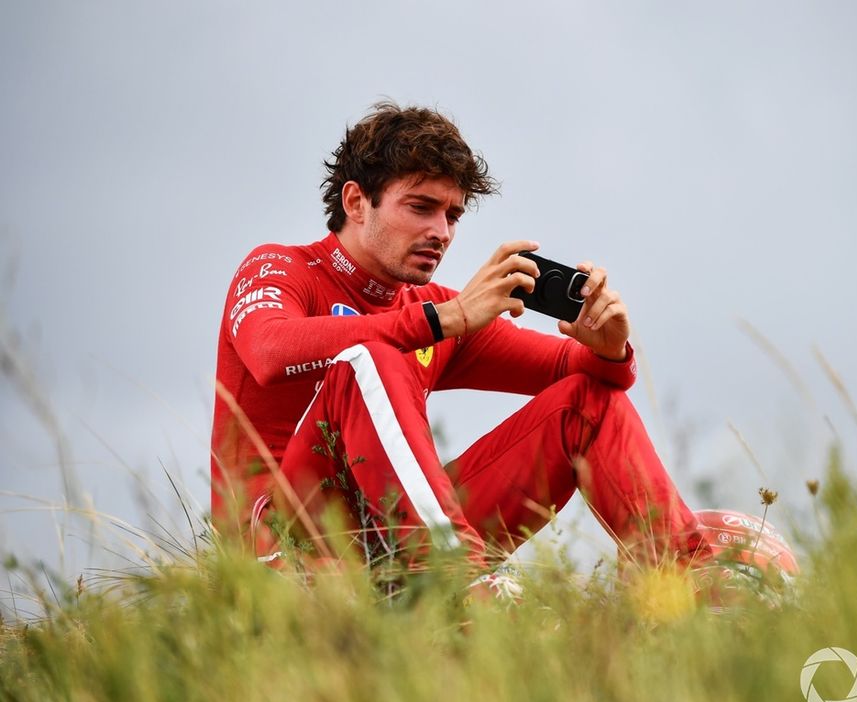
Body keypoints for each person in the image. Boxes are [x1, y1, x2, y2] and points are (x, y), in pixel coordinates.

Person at [210, 101, 712, 576]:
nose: (442, 232)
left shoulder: (438, 311)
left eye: (452, 215)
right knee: (371, 359)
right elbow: (268, 350)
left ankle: (688, 586)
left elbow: (579, 372)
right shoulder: (280, 267)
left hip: (393, 545)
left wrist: (608, 347)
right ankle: (461, 581)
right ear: (357, 202)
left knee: (588, 403)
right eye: (421, 207)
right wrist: (444, 318)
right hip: (282, 550)